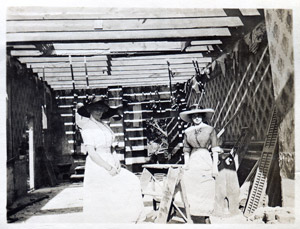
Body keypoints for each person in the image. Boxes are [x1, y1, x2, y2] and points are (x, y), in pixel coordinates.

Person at [77, 97, 144, 223]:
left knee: (132, 180)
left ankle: (125, 219)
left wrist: (117, 161)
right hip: (98, 164)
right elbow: (91, 153)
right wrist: (108, 167)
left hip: (111, 160)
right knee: (105, 194)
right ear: (90, 110)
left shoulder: (104, 125)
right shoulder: (87, 127)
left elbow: (111, 147)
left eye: (101, 109)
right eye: (96, 109)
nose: (99, 112)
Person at [179, 105, 222, 224]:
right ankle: (192, 212)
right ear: (191, 118)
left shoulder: (210, 129)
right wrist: (186, 164)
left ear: (203, 116)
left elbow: (214, 148)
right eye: (194, 116)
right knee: (192, 183)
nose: (197, 118)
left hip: (205, 158)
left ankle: (206, 214)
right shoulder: (187, 132)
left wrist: (215, 167)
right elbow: (186, 150)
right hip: (193, 159)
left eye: (199, 116)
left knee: (207, 185)